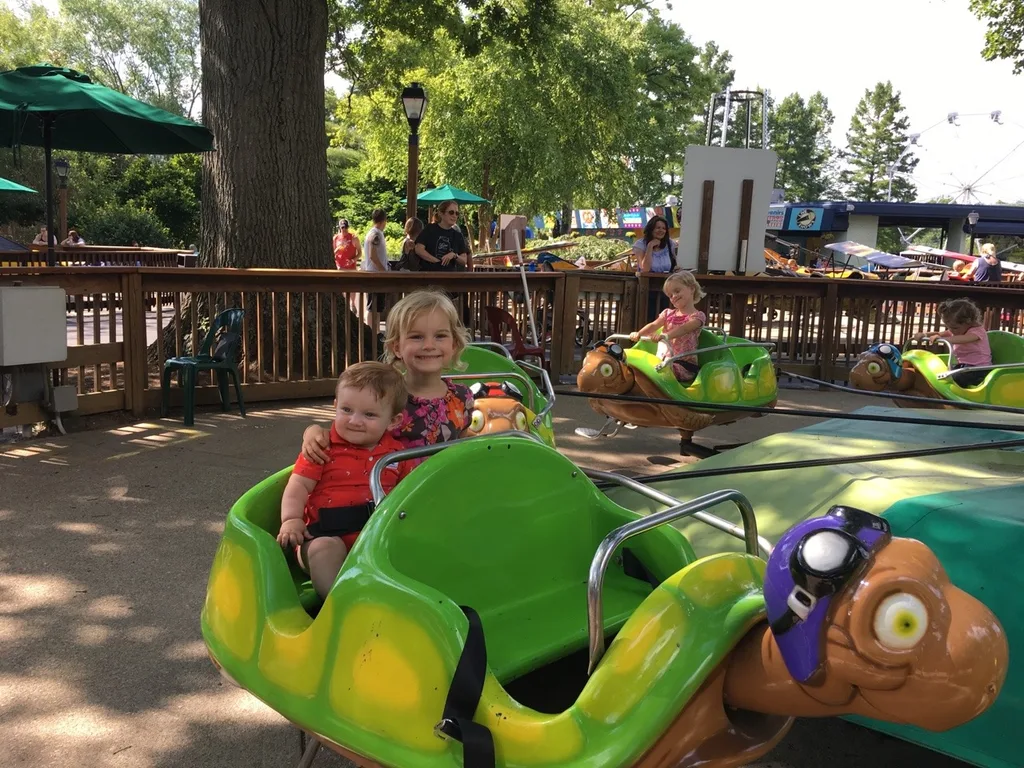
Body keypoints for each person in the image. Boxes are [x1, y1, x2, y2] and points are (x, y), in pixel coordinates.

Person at [277, 362, 415, 598]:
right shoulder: (322, 447)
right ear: (335, 407)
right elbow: (299, 484)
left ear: (393, 421)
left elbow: (410, 494)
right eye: (347, 410)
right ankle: (338, 604)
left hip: (374, 539)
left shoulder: (397, 454)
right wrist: (291, 519)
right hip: (323, 536)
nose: (355, 421)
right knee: (326, 549)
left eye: (369, 414)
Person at [301, 290, 475, 463]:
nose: (429, 345)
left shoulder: (462, 397)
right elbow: (349, 426)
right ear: (397, 347)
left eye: (440, 336)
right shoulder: (383, 395)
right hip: (392, 487)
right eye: (416, 337)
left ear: (454, 344)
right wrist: (313, 431)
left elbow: (461, 448)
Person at [629, 271, 706, 383]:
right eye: (670, 295)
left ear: (692, 288)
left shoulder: (697, 316)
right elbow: (654, 325)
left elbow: (684, 329)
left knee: (659, 371)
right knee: (635, 364)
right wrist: (639, 334)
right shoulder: (667, 314)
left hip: (683, 365)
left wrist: (665, 336)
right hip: (662, 362)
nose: (674, 296)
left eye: (677, 291)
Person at [912, 298, 992, 389]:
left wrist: (944, 339)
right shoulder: (956, 331)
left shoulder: (977, 331)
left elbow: (964, 339)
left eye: (955, 328)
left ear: (969, 322)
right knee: (940, 374)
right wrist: (924, 334)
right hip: (963, 367)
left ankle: (950, 394)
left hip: (979, 369)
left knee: (952, 378)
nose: (951, 330)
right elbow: (939, 333)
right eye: (949, 327)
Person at [415, 200, 469, 271]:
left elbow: (464, 260)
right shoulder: (430, 229)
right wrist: (436, 261)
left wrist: (454, 255)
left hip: (449, 277)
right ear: (441, 213)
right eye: (451, 212)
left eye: (457, 213)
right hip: (429, 275)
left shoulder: (457, 235)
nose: (454, 216)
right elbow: (418, 249)